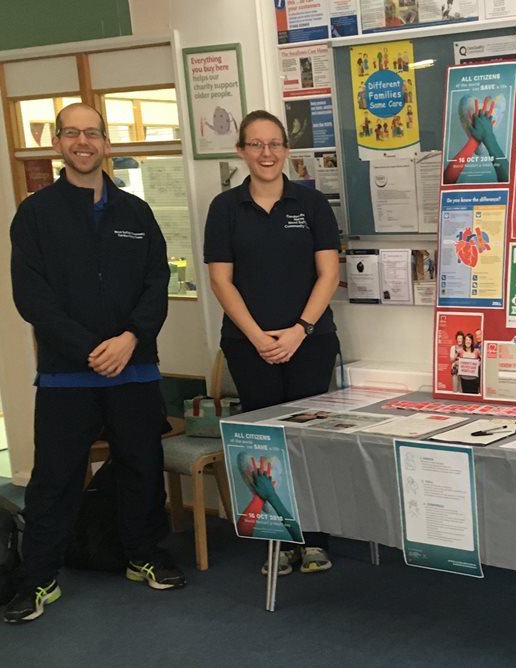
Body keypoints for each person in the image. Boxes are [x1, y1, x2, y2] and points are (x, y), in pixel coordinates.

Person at [5, 103, 185, 623]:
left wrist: (130, 338)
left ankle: (144, 556)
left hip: (135, 366)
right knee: (55, 477)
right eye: (72, 133)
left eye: (93, 133)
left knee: (141, 467)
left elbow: (158, 283)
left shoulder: (136, 213)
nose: (83, 142)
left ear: (106, 143)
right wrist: (91, 348)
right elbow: (32, 298)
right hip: (67, 374)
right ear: (58, 143)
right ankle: (38, 579)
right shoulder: (36, 214)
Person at [203, 110, 341, 577]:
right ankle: (280, 541)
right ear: (241, 150)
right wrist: (258, 336)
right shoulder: (225, 208)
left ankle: (316, 539)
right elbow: (221, 281)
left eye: (275, 144)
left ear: (286, 150)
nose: (266, 153)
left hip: (311, 339)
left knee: (307, 438)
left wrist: (300, 329)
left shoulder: (312, 204)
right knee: (265, 442)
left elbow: (329, 273)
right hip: (249, 344)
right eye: (256, 144)